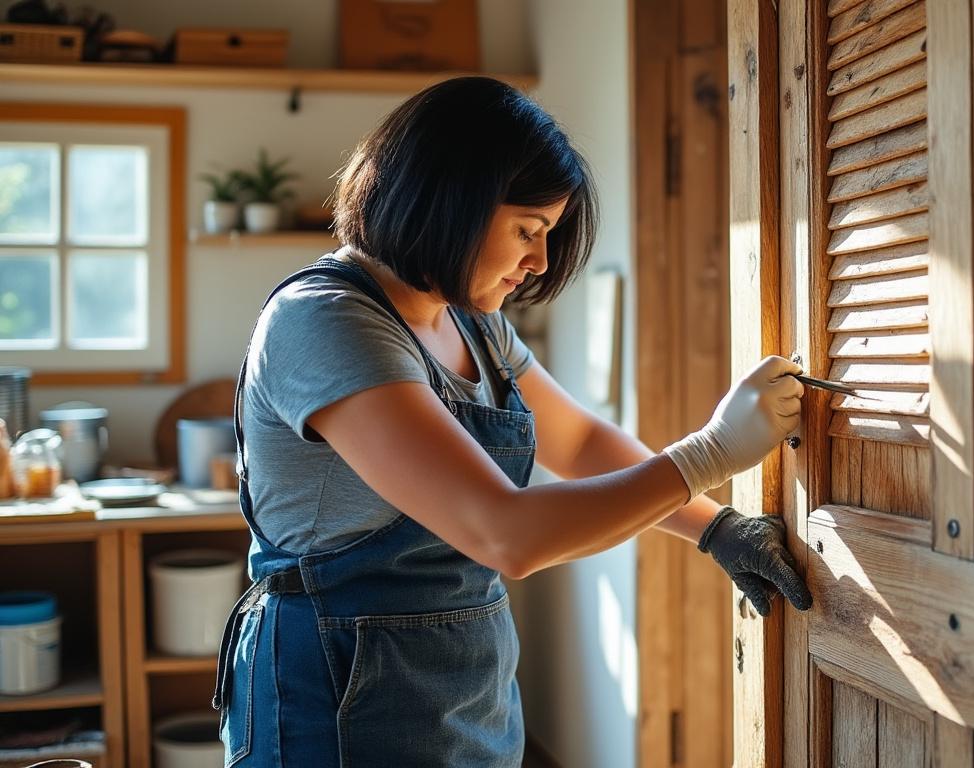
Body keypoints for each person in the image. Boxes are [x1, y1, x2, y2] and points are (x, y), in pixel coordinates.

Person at [212, 76, 811, 767]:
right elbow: (504, 533)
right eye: (528, 230)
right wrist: (711, 452)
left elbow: (581, 441)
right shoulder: (324, 321)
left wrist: (716, 527)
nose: (539, 263)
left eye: (548, 235)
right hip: (336, 683)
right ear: (451, 200)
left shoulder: (475, 325)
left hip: (460, 682)